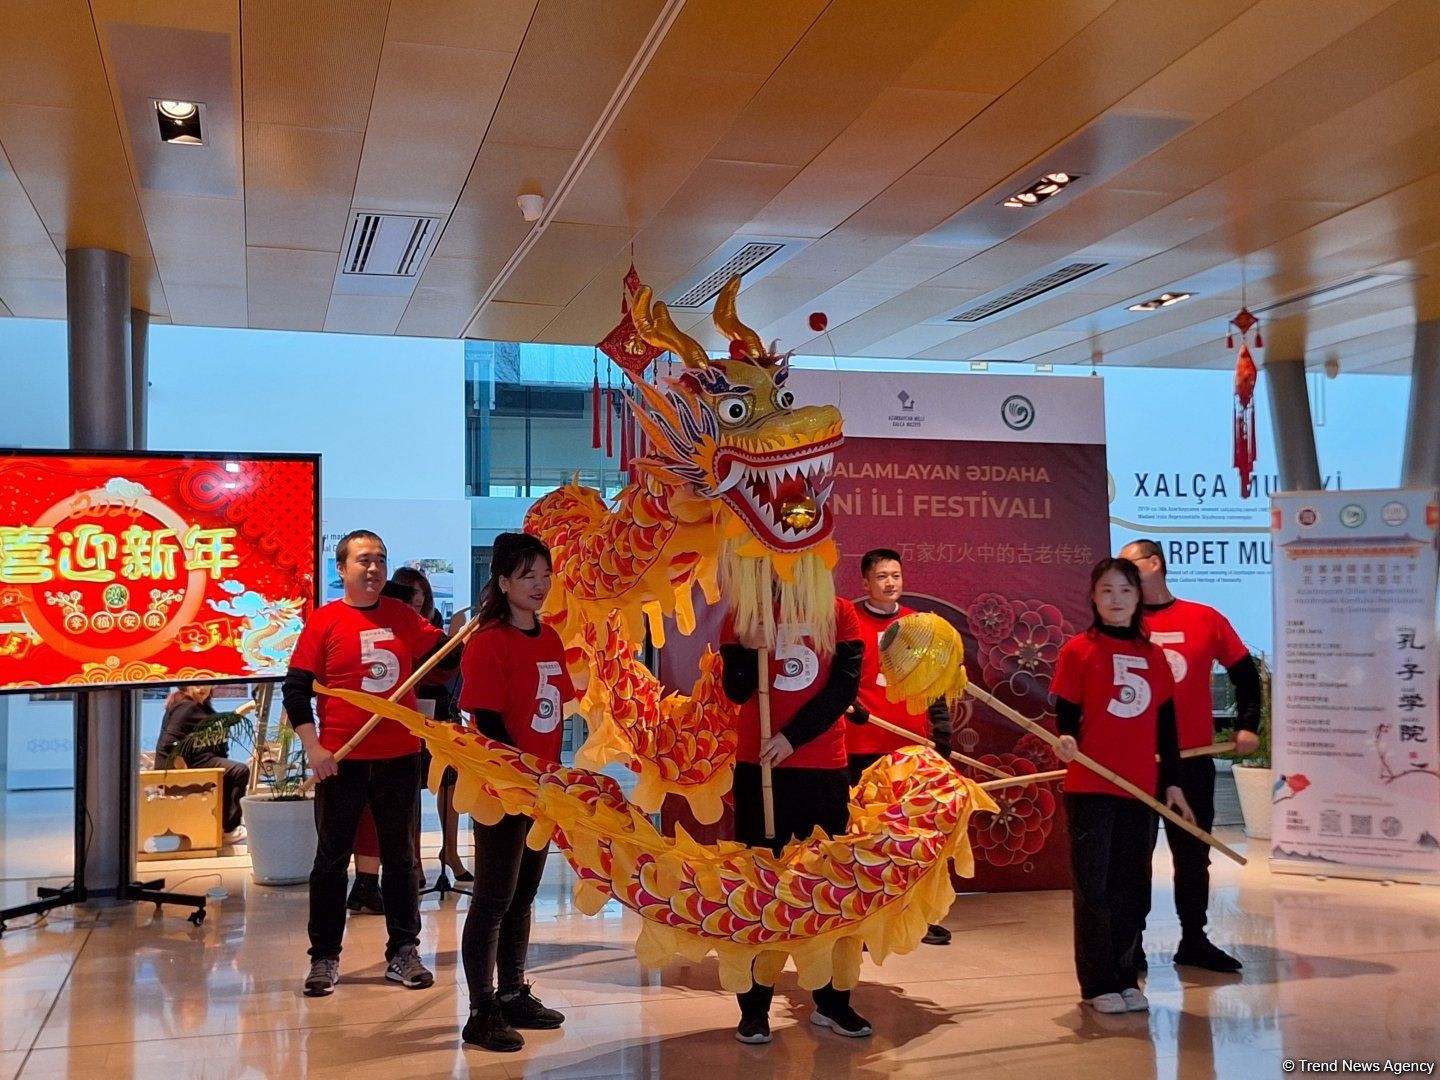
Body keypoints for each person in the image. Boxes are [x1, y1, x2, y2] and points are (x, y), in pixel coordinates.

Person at [284, 529, 454, 998]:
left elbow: (445, 659)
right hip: (341, 761)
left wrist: (466, 631)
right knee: (331, 863)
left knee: (401, 861)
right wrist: (314, 748)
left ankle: (404, 951)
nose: (373, 567)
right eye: (363, 560)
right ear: (341, 570)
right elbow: (295, 688)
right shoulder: (324, 621)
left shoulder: (402, 615)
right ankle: (324, 957)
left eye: (380, 559)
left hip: (399, 758)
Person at [720, 593, 868, 1045]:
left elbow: (843, 688)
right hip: (758, 766)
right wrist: (745, 646)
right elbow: (737, 691)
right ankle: (755, 1007)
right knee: (761, 886)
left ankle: (832, 1000)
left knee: (826, 885)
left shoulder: (839, 611)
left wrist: (792, 738)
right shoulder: (746, 612)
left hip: (822, 766)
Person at [1051, 557, 1194, 1015]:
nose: (1117, 599)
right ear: (1094, 598)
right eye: (1107, 591)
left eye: (1126, 591)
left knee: (1133, 886)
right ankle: (1096, 984)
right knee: (1093, 887)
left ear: (1139, 598)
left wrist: (1171, 782)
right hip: (1091, 785)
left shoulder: (1154, 656)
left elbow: (1167, 727)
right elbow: (1068, 715)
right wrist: (1067, 740)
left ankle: (1126, 974)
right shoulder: (1078, 650)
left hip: (1140, 788)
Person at [1119, 538, 1261, 973]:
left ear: (1154, 564)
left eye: (1129, 566)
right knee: (1133, 854)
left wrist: (1247, 726)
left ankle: (1194, 939)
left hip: (1193, 757)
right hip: (1137, 759)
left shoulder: (1205, 618)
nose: (1121, 577)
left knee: (1193, 853)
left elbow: (1245, 673)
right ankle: (1131, 944)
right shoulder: (1120, 622)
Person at [457, 532, 576, 1053]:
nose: (540, 585)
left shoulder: (548, 638)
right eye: (528, 576)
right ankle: (480, 1010)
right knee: (493, 898)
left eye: (545, 575)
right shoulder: (486, 642)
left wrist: (550, 776)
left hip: (541, 790)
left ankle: (511, 993)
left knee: (525, 895)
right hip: (500, 789)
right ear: (503, 582)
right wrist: (519, 773)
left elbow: (557, 711)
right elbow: (485, 720)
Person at [843, 548, 954, 946]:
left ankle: (916, 917)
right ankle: (866, 920)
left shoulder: (920, 626)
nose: (890, 582)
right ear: (865, 583)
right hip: (861, 745)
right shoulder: (849, 622)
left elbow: (936, 686)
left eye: (896, 575)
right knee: (866, 836)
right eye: (881, 576)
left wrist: (941, 739)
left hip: (911, 748)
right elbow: (838, 683)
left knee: (913, 836)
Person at [390, 566, 471, 885]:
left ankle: (450, 852)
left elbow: (450, 669)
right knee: (411, 789)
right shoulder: (397, 628)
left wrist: (455, 639)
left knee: (450, 784)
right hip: (411, 718)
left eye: (421, 592)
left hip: (443, 713)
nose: (416, 598)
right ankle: (414, 860)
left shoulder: (435, 628)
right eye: (410, 592)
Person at [156, 685, 253, 844]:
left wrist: (242, 711)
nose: (202, 688)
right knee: (238, 771)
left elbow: (217, 726)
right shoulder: (186, 707)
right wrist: (184, 773)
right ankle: (229, 829)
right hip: (190, 766)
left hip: (202, 761)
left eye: (206, 684)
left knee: (229, 770)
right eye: (197, 684)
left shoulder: (202, 707)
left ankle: (222, 826)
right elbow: (169, 743)